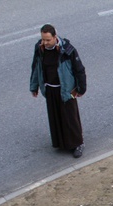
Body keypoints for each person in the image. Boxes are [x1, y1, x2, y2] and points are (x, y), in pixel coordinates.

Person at [30, 24, 87, 158]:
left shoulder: (67, 50)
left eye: (48, 40)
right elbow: (35, 67)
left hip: (66, 90)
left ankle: (78, 143)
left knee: (70, 117)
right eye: (43, 39)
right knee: (55, 116)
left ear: (55, 37)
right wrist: (34, 86)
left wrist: (81, 89)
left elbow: (79, 70)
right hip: (50, 89)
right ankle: (61, 143)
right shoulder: (39, 48)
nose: (45, 42)